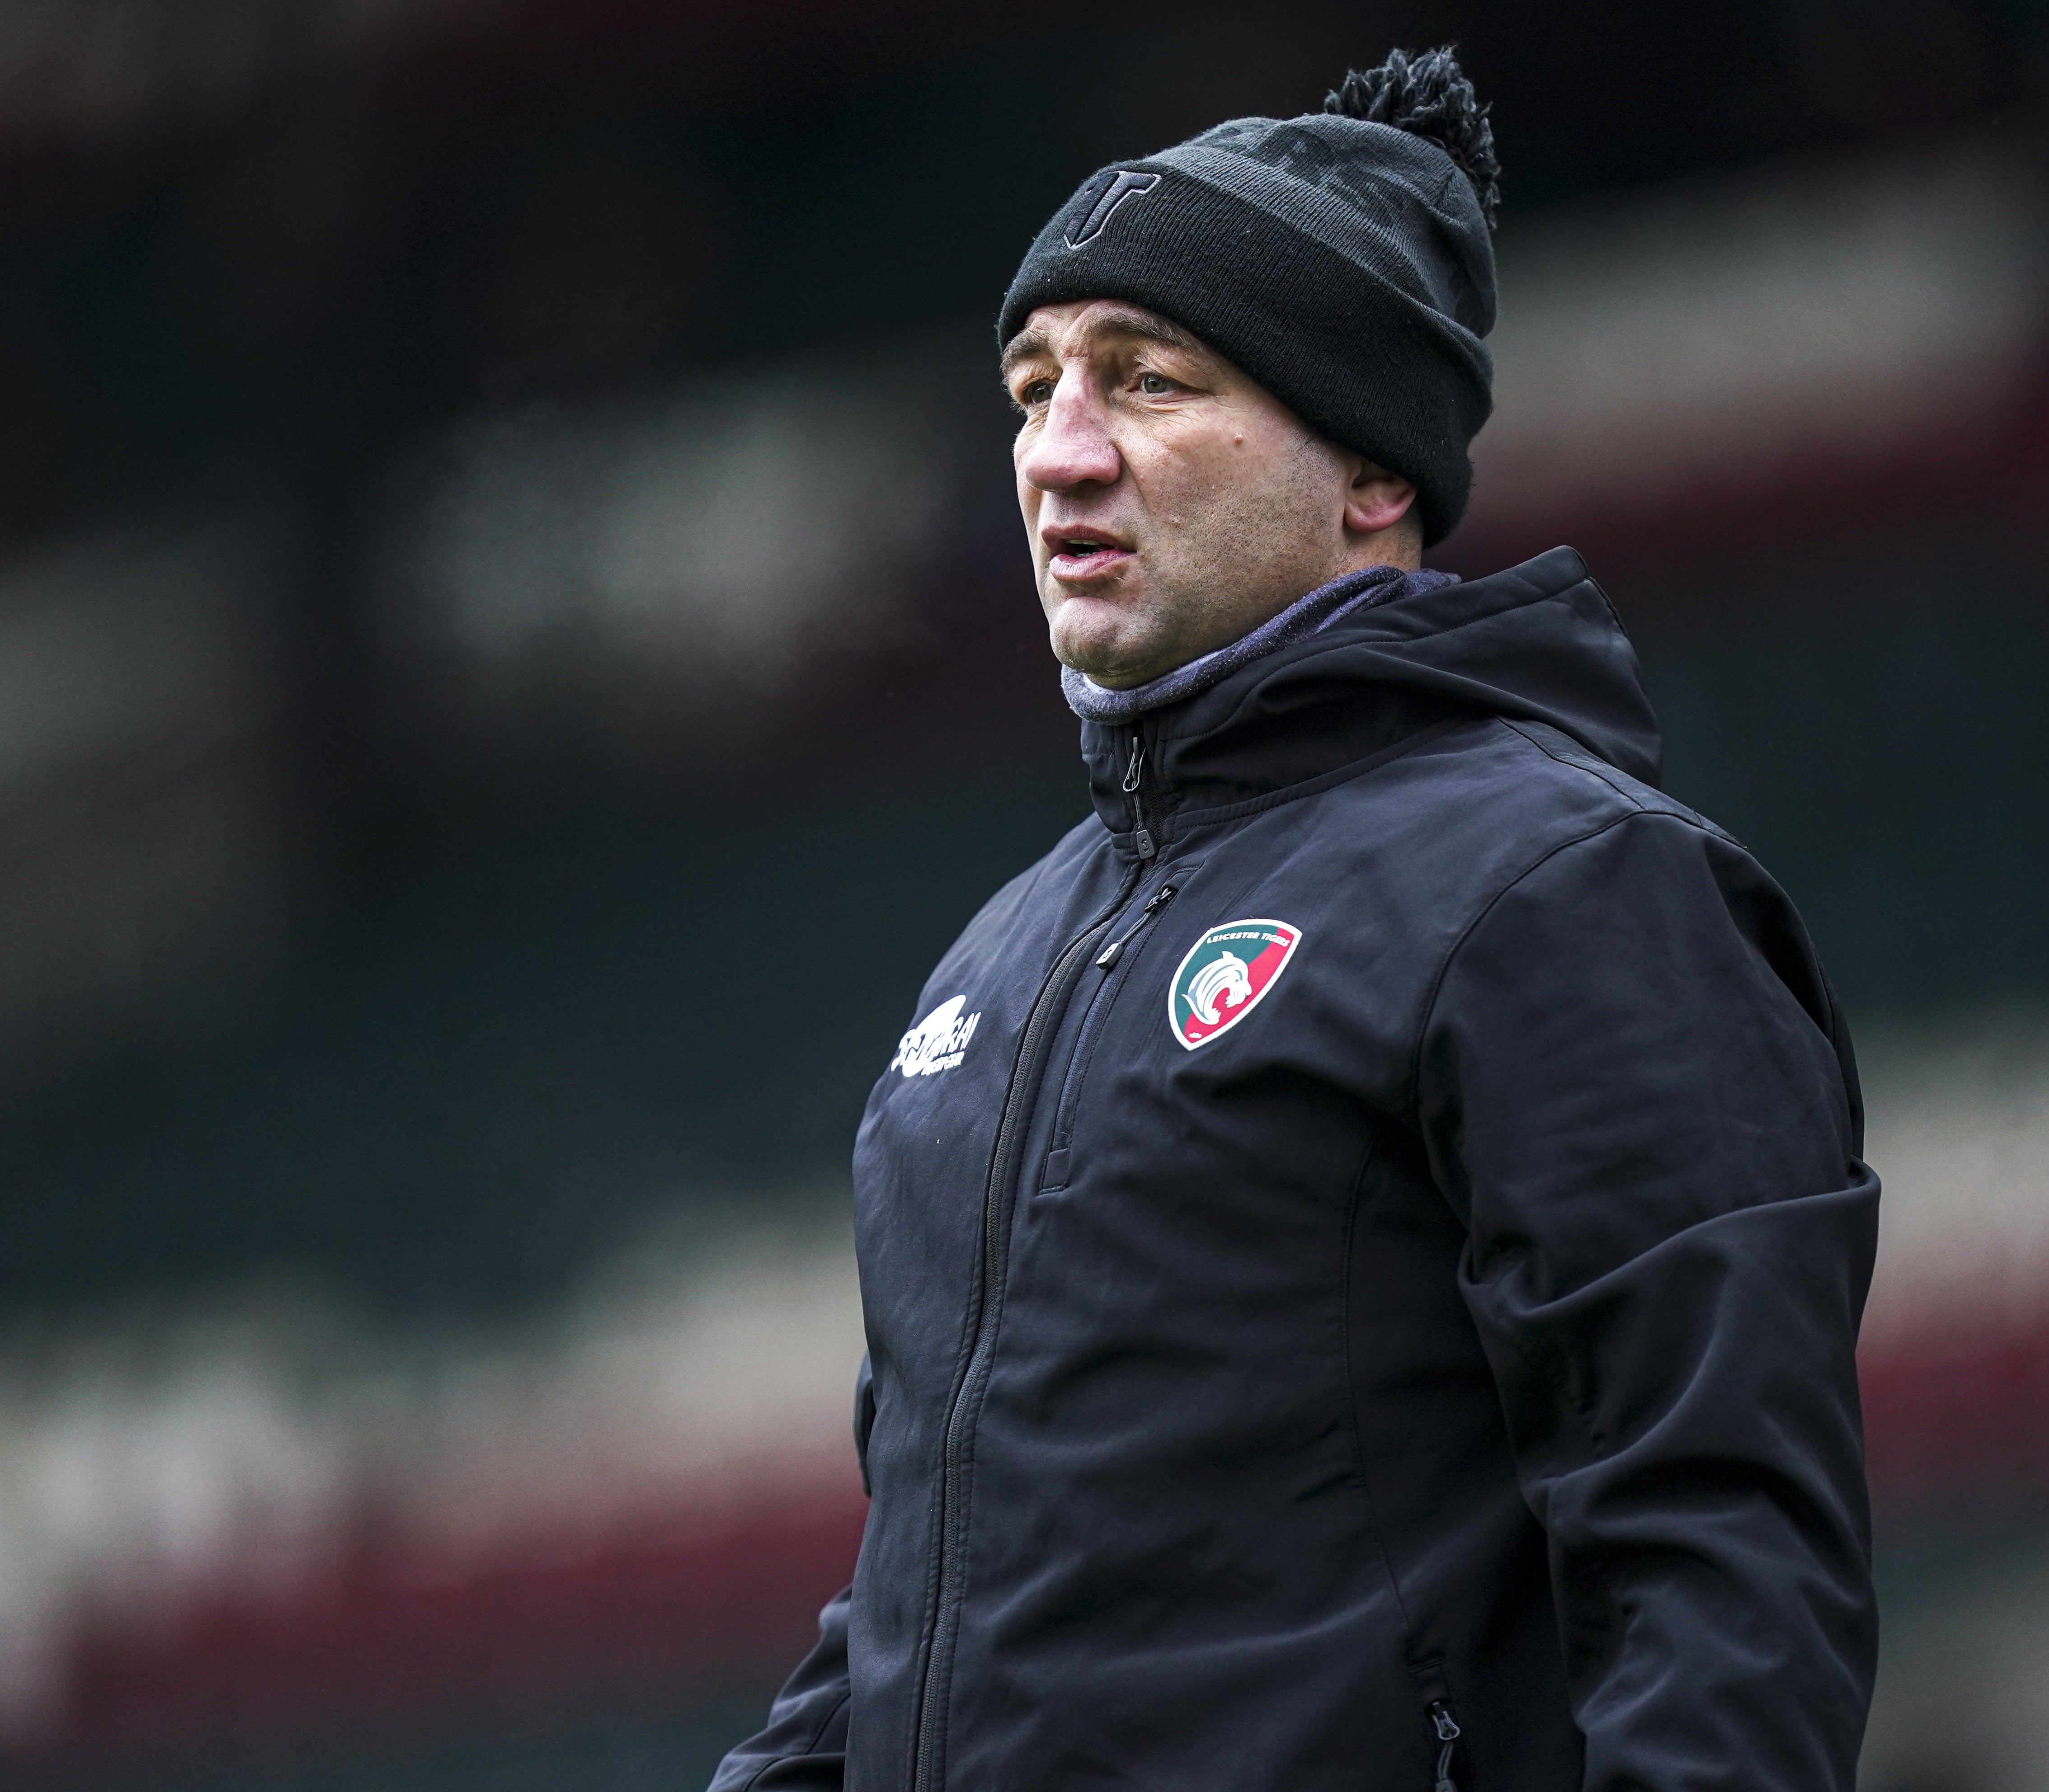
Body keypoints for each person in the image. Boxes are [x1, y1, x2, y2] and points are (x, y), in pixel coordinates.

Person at [711, 47, 1878, 1792]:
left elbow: (1721, 1566)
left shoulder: (1561, 891)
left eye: (1150, 382)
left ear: (1373, 473)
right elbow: (923, 1605)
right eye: (1032, 390)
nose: (1060, 456)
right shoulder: (996, 966)